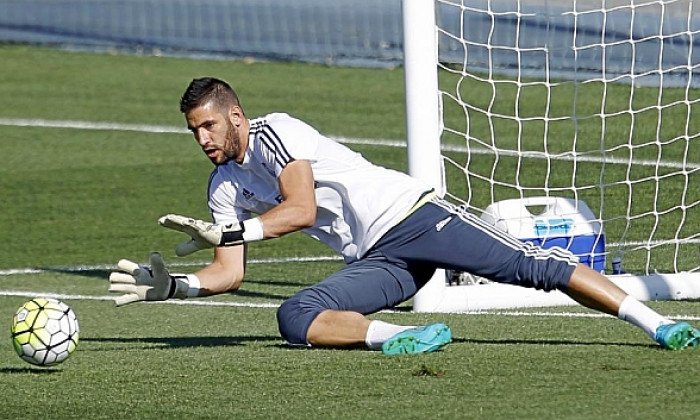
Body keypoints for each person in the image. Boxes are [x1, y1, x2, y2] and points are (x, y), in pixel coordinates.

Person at [109, 77, 699, 354]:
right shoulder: (223, 187)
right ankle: (402, 339)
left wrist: (237, 229)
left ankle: (656, 324)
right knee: (294, 317)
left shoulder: (275, 132)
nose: (203, 138)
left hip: (414, 216)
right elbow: (229, 273)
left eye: (209, 124)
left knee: (537, 268)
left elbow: (301, 207)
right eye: (194, 131)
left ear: (235, 115)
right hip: (379, 258)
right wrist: (174, 287)